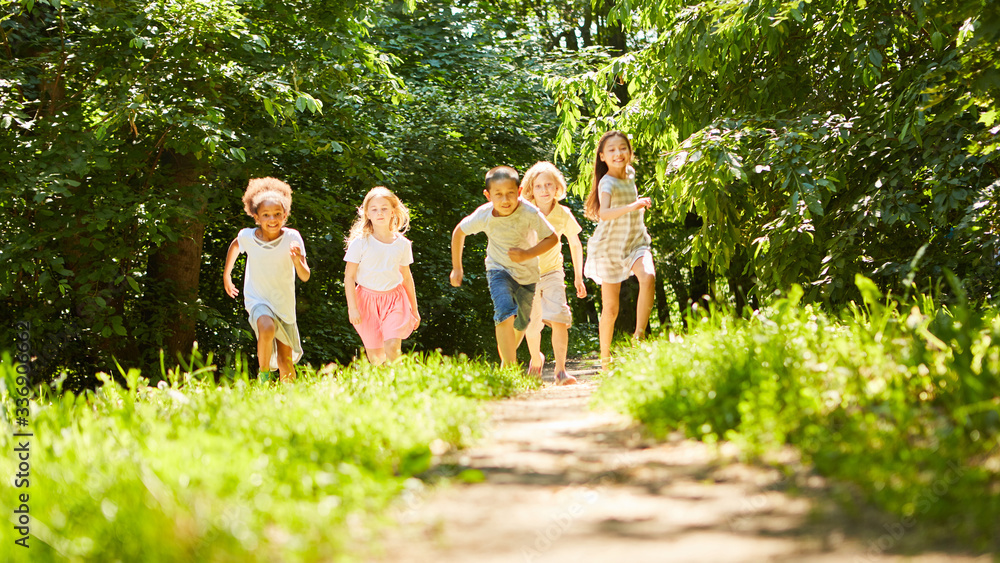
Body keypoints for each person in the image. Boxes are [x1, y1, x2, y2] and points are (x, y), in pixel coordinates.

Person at [450, 166, 558, 368]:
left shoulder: (529, 212)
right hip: (498, 270)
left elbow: (552, 238)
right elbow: (459, 232)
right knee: (504, 311)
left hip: (527, 275)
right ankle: (509, 368)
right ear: (488, 195)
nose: (505, 200)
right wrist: (457, 268)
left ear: (519, 191)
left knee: (521, 324)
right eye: (498, 194)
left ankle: (505, 362)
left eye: (510, 193)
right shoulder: (484, 215)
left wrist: (527, 254)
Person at [224, 177, 311, 382]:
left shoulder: (292, 238)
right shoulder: (248, 236)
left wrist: (297, 261)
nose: (272, 219)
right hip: (258, 299)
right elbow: (235, 246)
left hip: (283, 305)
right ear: (256, 217)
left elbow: (305, 275)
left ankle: (289, 394)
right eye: (266, 215)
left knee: (284, 361)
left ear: (285, 215)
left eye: (277, 214)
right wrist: (227, 275)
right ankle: (263, 377)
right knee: (266, 327)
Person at [582, 131, 655, 371]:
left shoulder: (630, 173)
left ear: (630, 152)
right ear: (602, 156)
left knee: (649, 277)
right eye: (611, 150)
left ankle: (639, 336)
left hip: (635, 241)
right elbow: (604, 213)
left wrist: (638, 203)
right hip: (611, 246)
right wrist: (633, 205)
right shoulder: (607, 182)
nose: (618, 153)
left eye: (623, 148)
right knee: (611, 309)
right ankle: (605, 360)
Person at [520, 161, 587, 385]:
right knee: (531, 325)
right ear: (531, 189)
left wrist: (578, 277)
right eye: (539, 186)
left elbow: (575, 244)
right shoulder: (524, 211)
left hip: (553, 272)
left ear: (557, 187)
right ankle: (536, 360)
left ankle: (560, 372)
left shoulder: (563, 214)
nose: (544, 190)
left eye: (549, 184)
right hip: (527, 275)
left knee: (559, 317)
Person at [344, 186, 420, 365]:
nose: (380, 213)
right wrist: (352, 308)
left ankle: (400, 380)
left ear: (393, 211)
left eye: (384, 208)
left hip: (394, 300)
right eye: (374, 209)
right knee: (377, 359)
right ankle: (386, 382)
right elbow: (349, 277)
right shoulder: (360, 243)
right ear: (367, 214)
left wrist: (414, 309)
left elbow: (407, 277)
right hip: (366, 302)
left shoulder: (402, 244)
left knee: (392, 347)